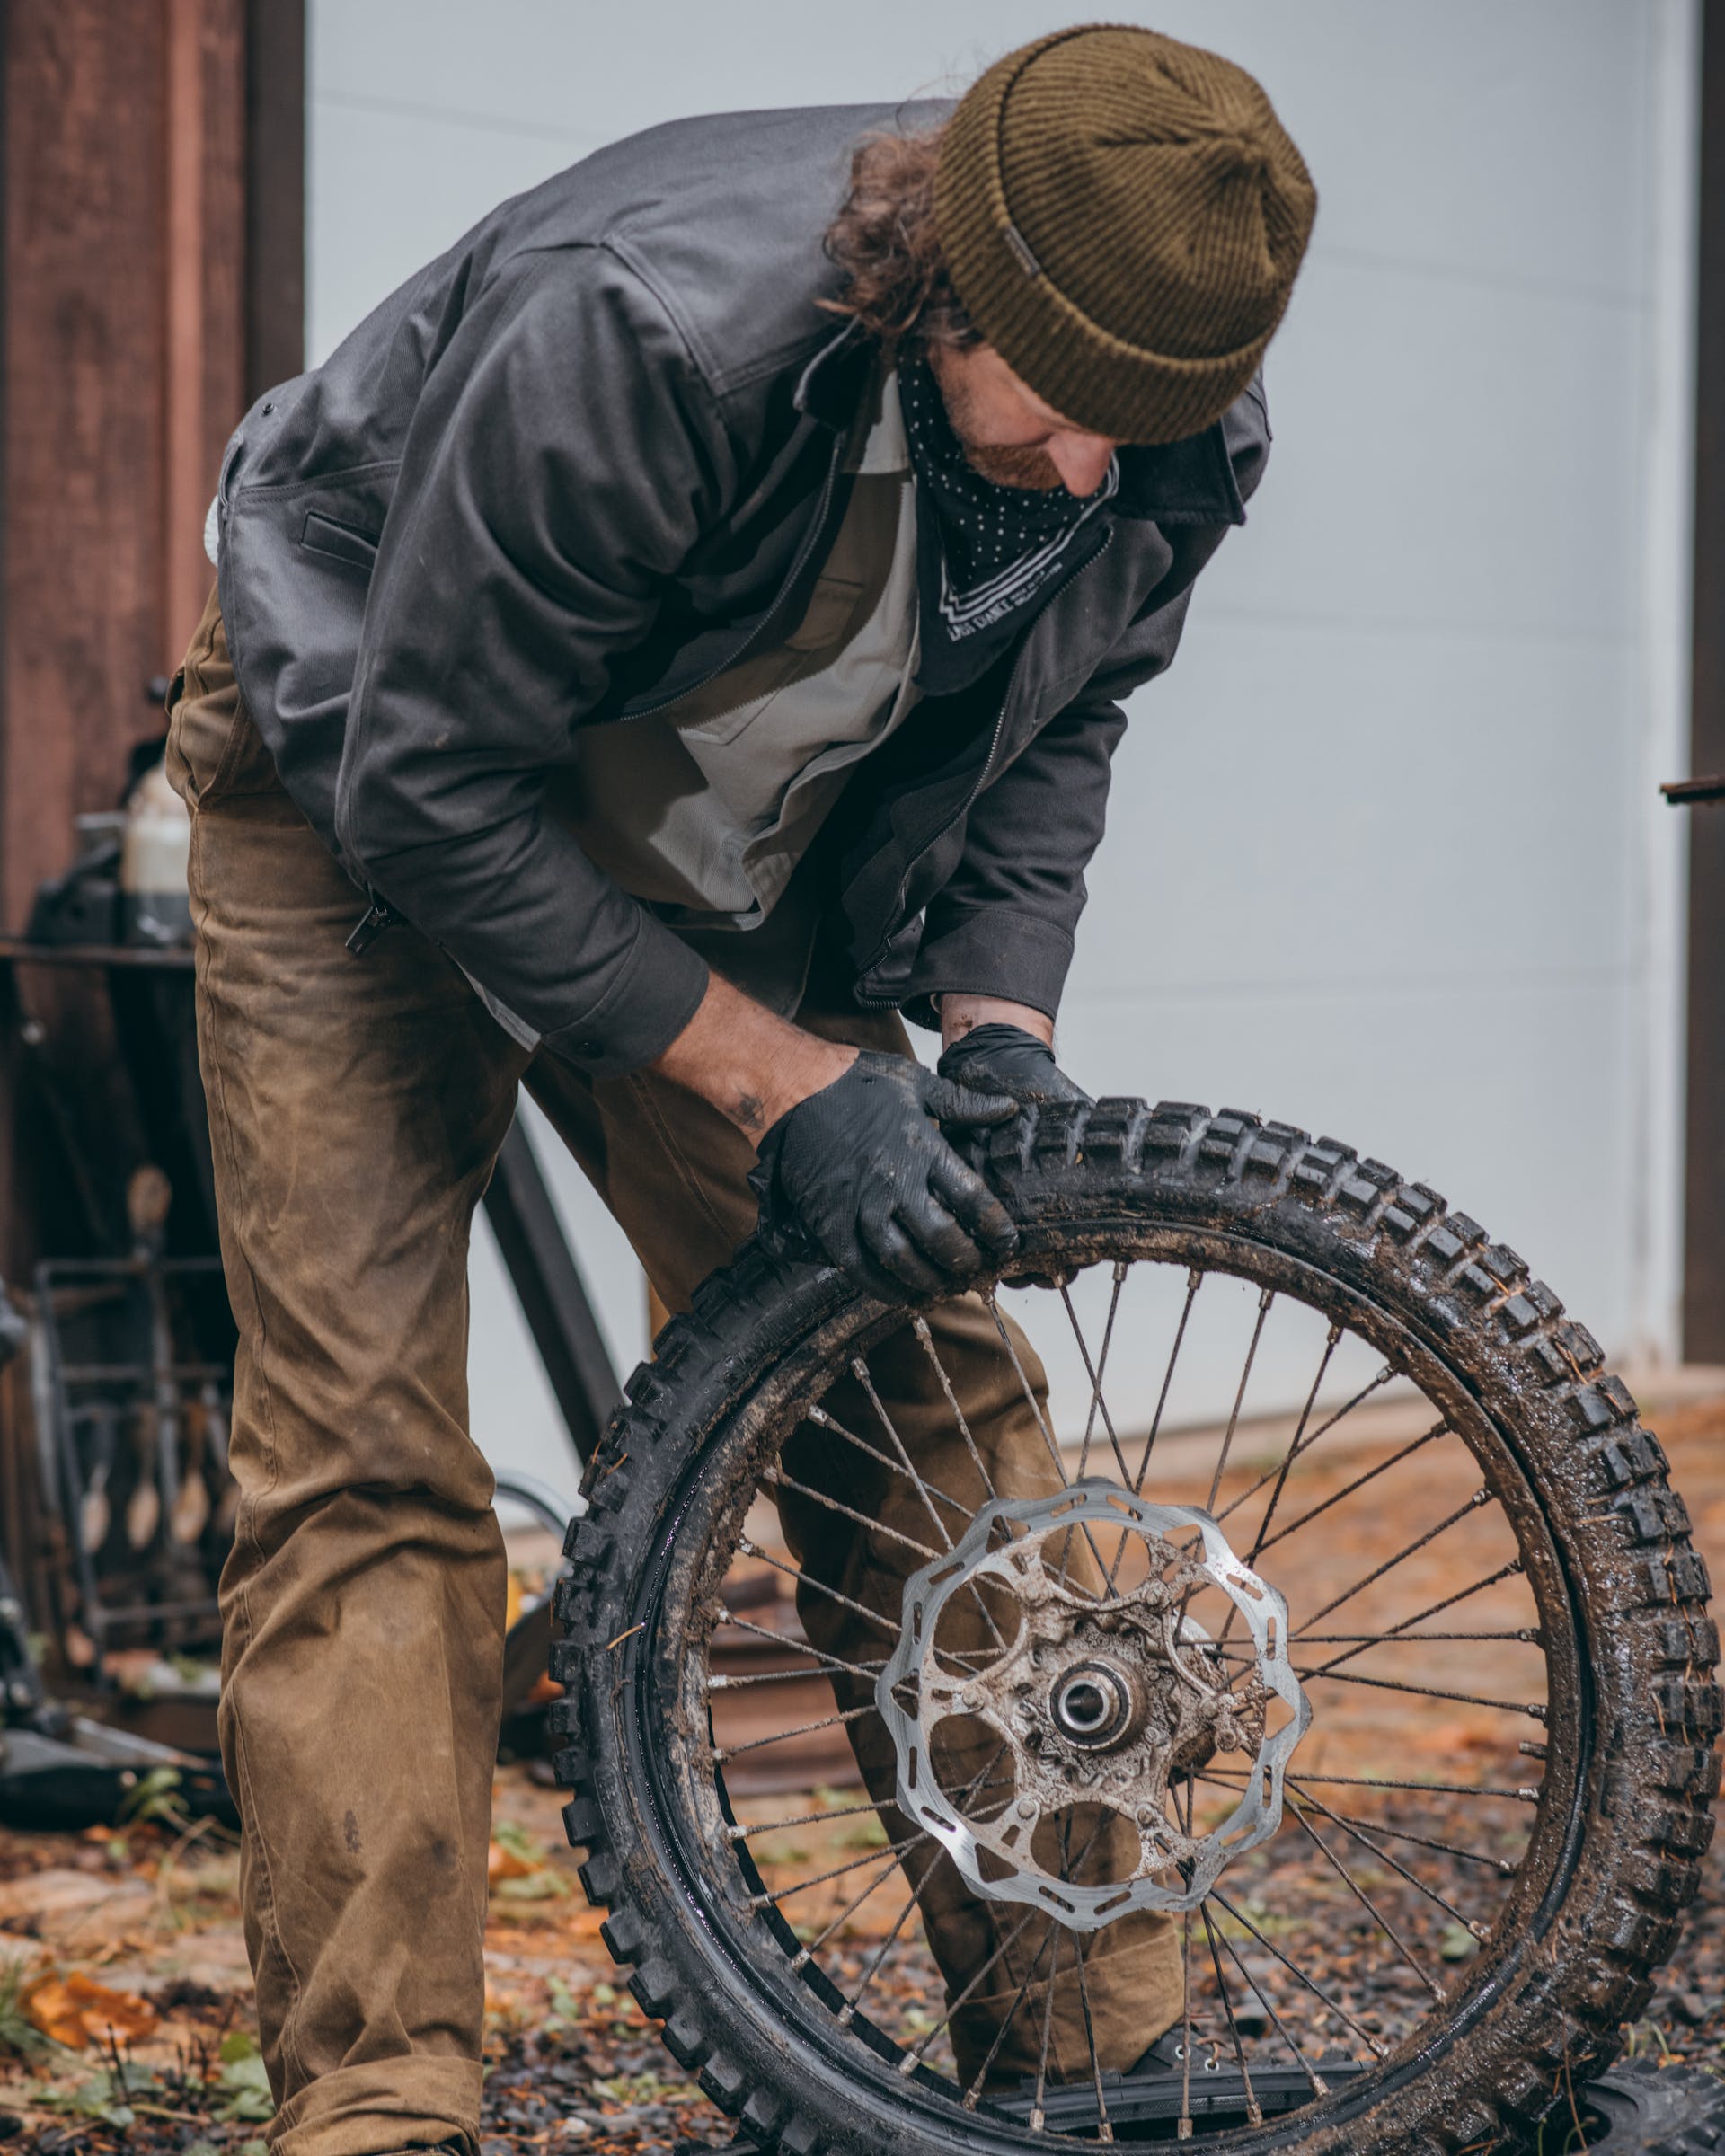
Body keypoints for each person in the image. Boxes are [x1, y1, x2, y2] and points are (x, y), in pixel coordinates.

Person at [166, 23, 1315, 2155]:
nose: (1091, 474)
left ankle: (1091, 2034)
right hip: (365, 774)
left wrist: (996, 1030)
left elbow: (1064, 725)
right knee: (363, 1466)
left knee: (923, 1364)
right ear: (948, 289)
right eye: (1060, 419)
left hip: (698, 810)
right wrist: (782, 1077)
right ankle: (382, 2107)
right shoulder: (643, 332)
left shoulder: (1155, 407)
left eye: (1137, 440)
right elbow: (432, 795)